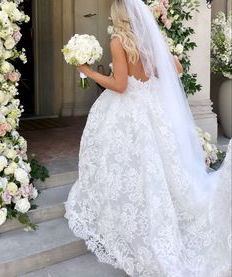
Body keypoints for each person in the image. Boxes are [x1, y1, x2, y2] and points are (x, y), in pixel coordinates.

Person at [65, 0, 232, 276]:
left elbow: (119, 85)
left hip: (128, 111)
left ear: (118, 16)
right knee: (160, 165)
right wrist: (149, 74)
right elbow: (175, 68)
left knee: (126, 166)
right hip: (153, 107)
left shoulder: (118, 41)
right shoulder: (148, 39)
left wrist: (90, 72)